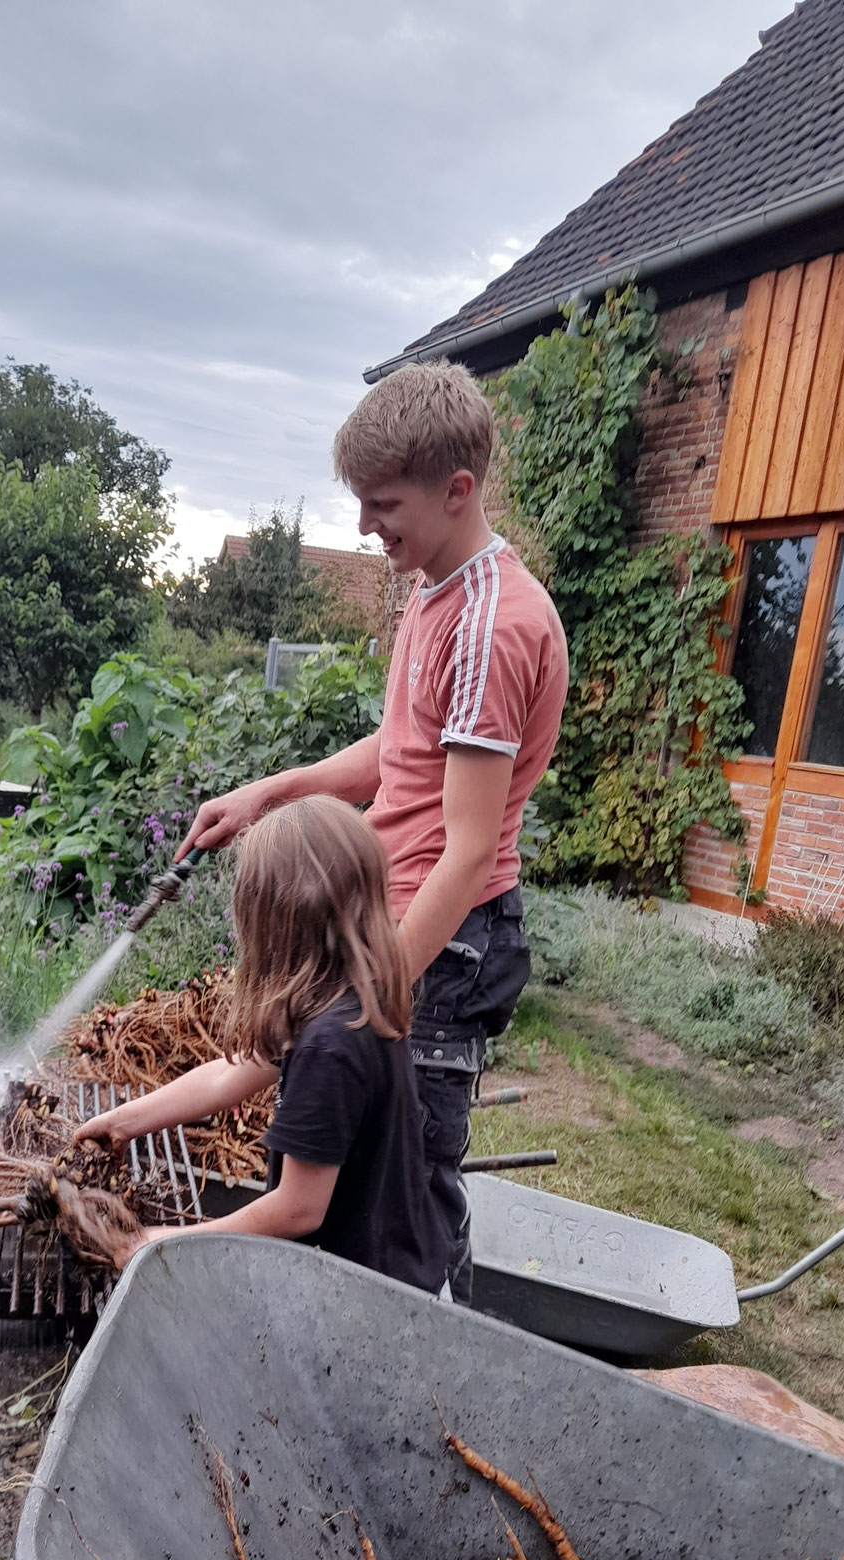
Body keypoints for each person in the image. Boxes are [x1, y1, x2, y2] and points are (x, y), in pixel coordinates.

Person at [175, 360, 568, 1301]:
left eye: (382, 503)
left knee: (411, 1190)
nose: (364, 527)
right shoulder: (438, 590)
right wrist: (271, 793)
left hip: (442, 936)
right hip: (396, 918)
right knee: (360, 1179)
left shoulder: (488, 630)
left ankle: (428, 1364)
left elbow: (469, 850)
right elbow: (404, 749)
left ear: (457, 490)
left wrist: (369, 997)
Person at [74, 794, 442, 1292]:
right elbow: (228, 1074)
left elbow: (297, 1210)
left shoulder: (330, 1046)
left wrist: (158, 1243)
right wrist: (123, 1122)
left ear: (275, 919)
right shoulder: (346, 999)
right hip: (388, 1271)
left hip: (366, 1301)